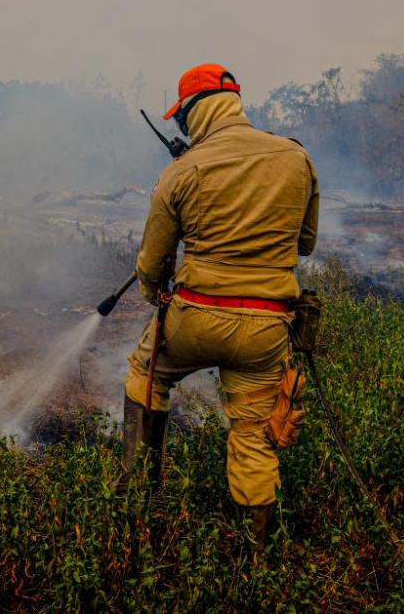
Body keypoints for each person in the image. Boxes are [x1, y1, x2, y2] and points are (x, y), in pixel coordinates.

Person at [119, 62, 319, 550]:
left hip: (195, 317)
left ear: (193, 112)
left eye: (182, 117)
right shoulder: (297, 157)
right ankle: (257, 554)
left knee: (146, 374)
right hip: (267, 328)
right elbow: (307, 244)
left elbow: (151, 264)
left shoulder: (181, 170)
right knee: (254, 436)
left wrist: (155, 297)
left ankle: (137, 510)